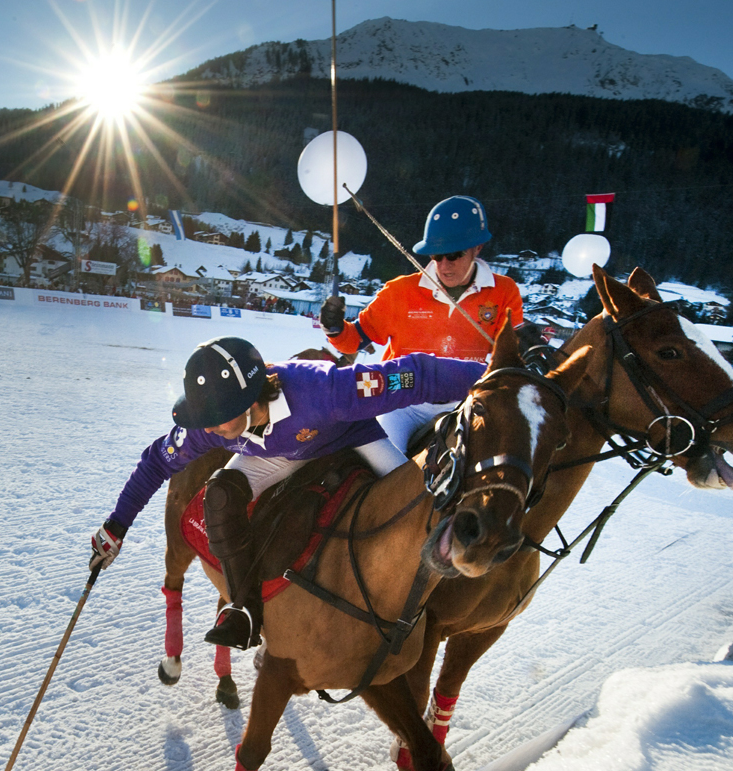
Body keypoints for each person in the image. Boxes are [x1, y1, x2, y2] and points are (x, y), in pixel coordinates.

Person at [90, 336, 485, 651]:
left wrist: (493, 375)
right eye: (203, 419)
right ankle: (244, 611)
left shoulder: (323, 391)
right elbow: (156, 462)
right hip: (270, 453)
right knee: (219, 495)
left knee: (421, 504)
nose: (208, 430)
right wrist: (116, 526)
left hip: (349, 438)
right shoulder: (209, 423)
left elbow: (414, 375)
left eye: (216, 419)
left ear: (252, 397)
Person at [320, 195, 524, 452]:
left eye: (454, 255)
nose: (443, 266)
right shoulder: (399, 291)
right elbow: (354, 341)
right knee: (383, 468)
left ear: (478, 247)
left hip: (465, 400)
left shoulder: (504, 291)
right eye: (436, 256)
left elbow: (512, 353)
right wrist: (335, 328)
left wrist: (525, 343)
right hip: (401, 395)